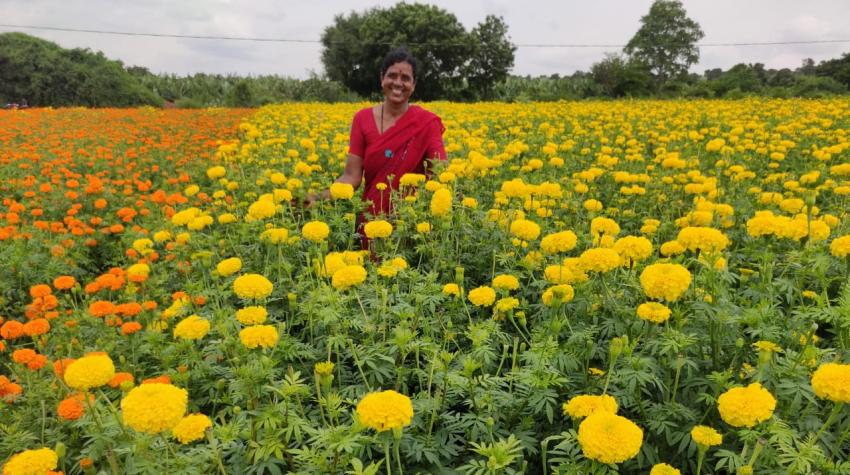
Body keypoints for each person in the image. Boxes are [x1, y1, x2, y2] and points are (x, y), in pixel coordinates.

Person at [311, 47, 447, 249]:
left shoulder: (427, 122)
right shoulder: (362, 119)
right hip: (370, 219)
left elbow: (440, 174)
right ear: (382, 78)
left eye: (406, 78)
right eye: (392, 75)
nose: (398, 83)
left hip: (410, 225)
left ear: (414, 84)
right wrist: (316, 198)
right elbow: (351, 177)